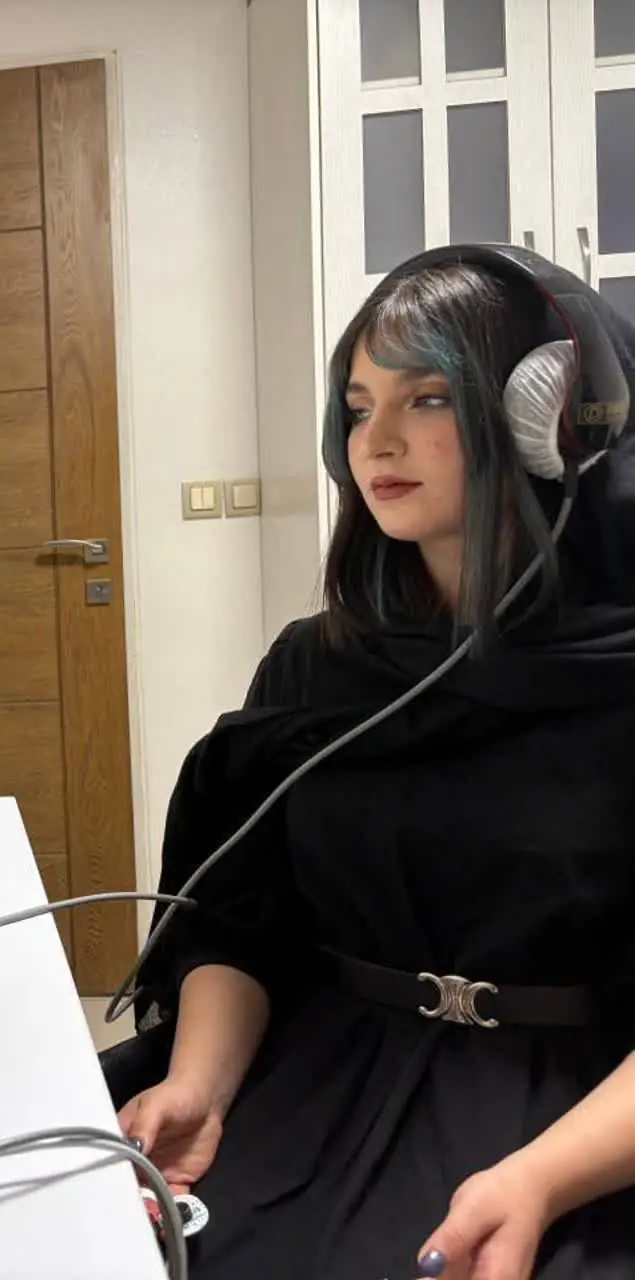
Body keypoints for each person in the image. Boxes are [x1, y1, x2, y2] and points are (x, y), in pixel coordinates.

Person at [111, 244, 635, 1280]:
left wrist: (537, 1180)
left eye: (427, 398)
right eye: (356, 409)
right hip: (321, 1068)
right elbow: (243, 917)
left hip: (579, 1119)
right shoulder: (316, 666)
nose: (376, 441)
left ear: (550, 422)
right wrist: (201, 1084)